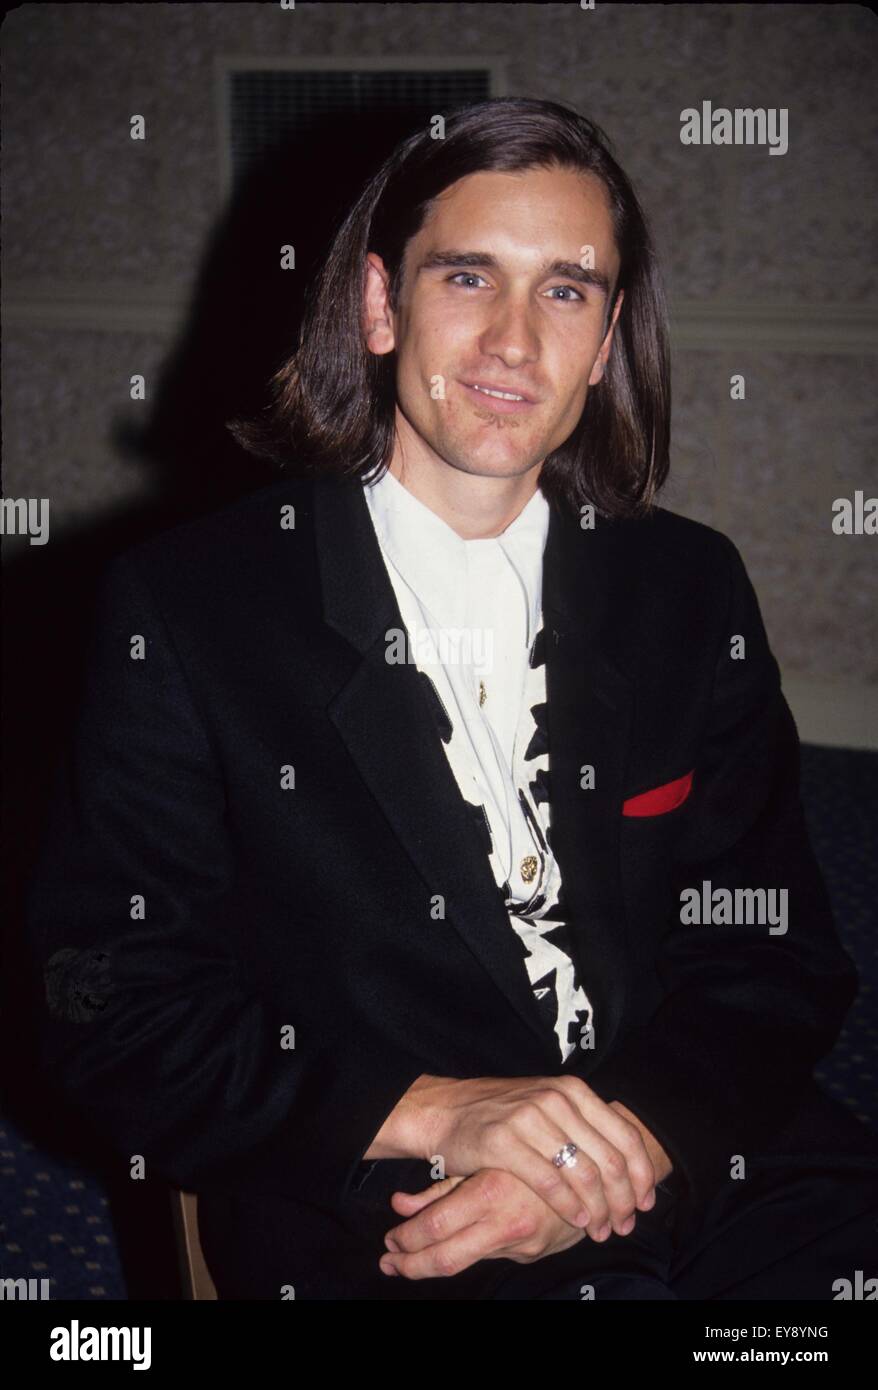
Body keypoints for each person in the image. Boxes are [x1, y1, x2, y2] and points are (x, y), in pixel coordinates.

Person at [26, 97, 878, 1301]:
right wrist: (441, 1111)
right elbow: (110, 1007)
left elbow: (774, 947)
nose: (515, 344)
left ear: (608, 331)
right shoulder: (187, 608)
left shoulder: (684, 585)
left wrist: (605, 1142)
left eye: (566, 290)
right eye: (469, 278)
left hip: (685, 1136)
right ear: (379, 306)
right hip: (390, 1187)